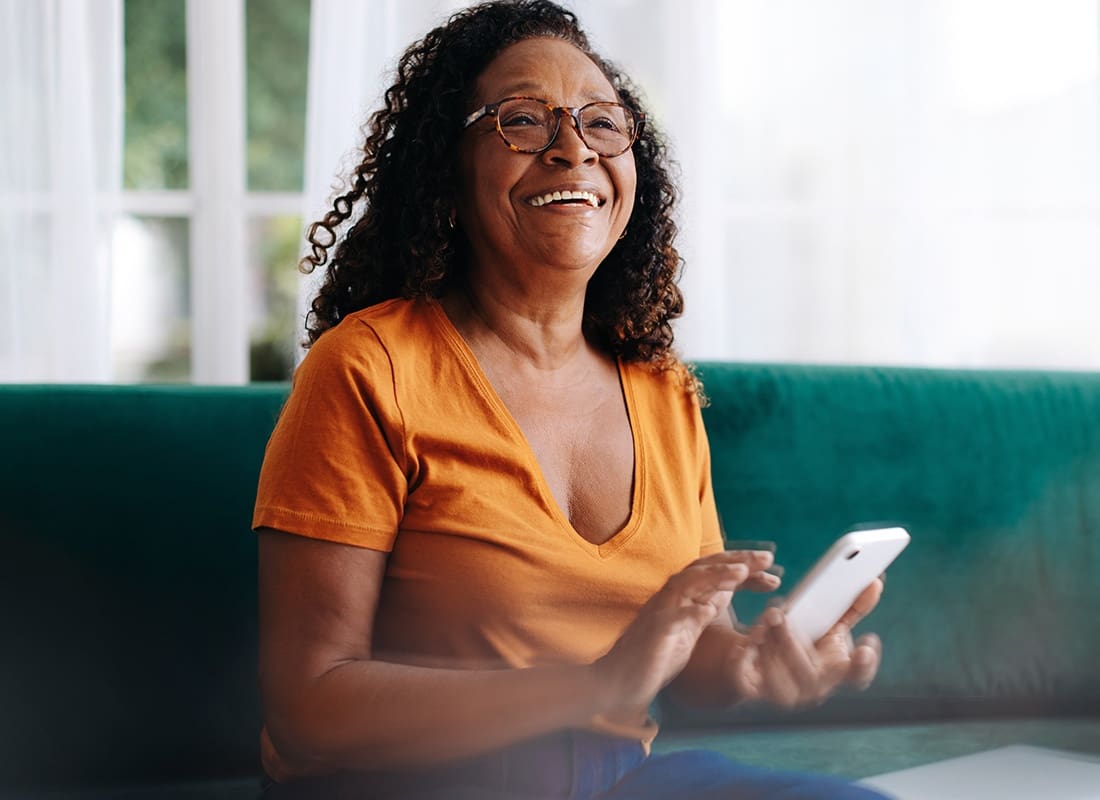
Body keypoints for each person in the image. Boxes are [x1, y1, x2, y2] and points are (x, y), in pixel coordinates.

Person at [253, 1, 890, 797]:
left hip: (619, 780)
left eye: (601, 121)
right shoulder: (369, 367)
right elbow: (307, 706)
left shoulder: (660, 388)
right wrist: (593, 683)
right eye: (522, 120)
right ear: (447, 169)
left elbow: (691, 664)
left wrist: (758, 664)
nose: (571, 148)